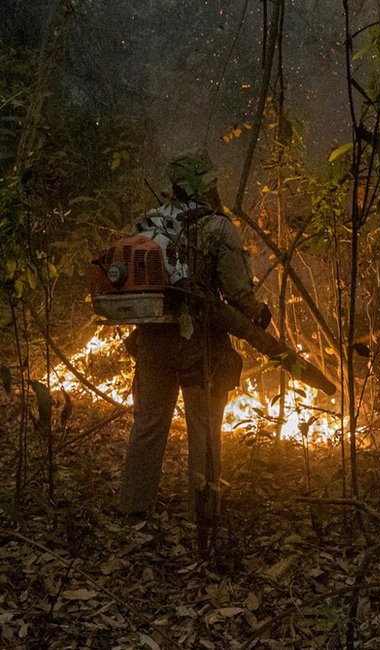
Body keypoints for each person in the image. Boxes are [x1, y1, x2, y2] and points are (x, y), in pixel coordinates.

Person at [117, 148, 271, 525]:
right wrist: (258, 313)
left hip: (152, 341)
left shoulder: (146, 222)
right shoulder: (218, 227)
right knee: (204, 428)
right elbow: (236, 291)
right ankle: (204, 514)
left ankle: (132, 511)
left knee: (148, 424)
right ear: (205, 185)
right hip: (200, 343)